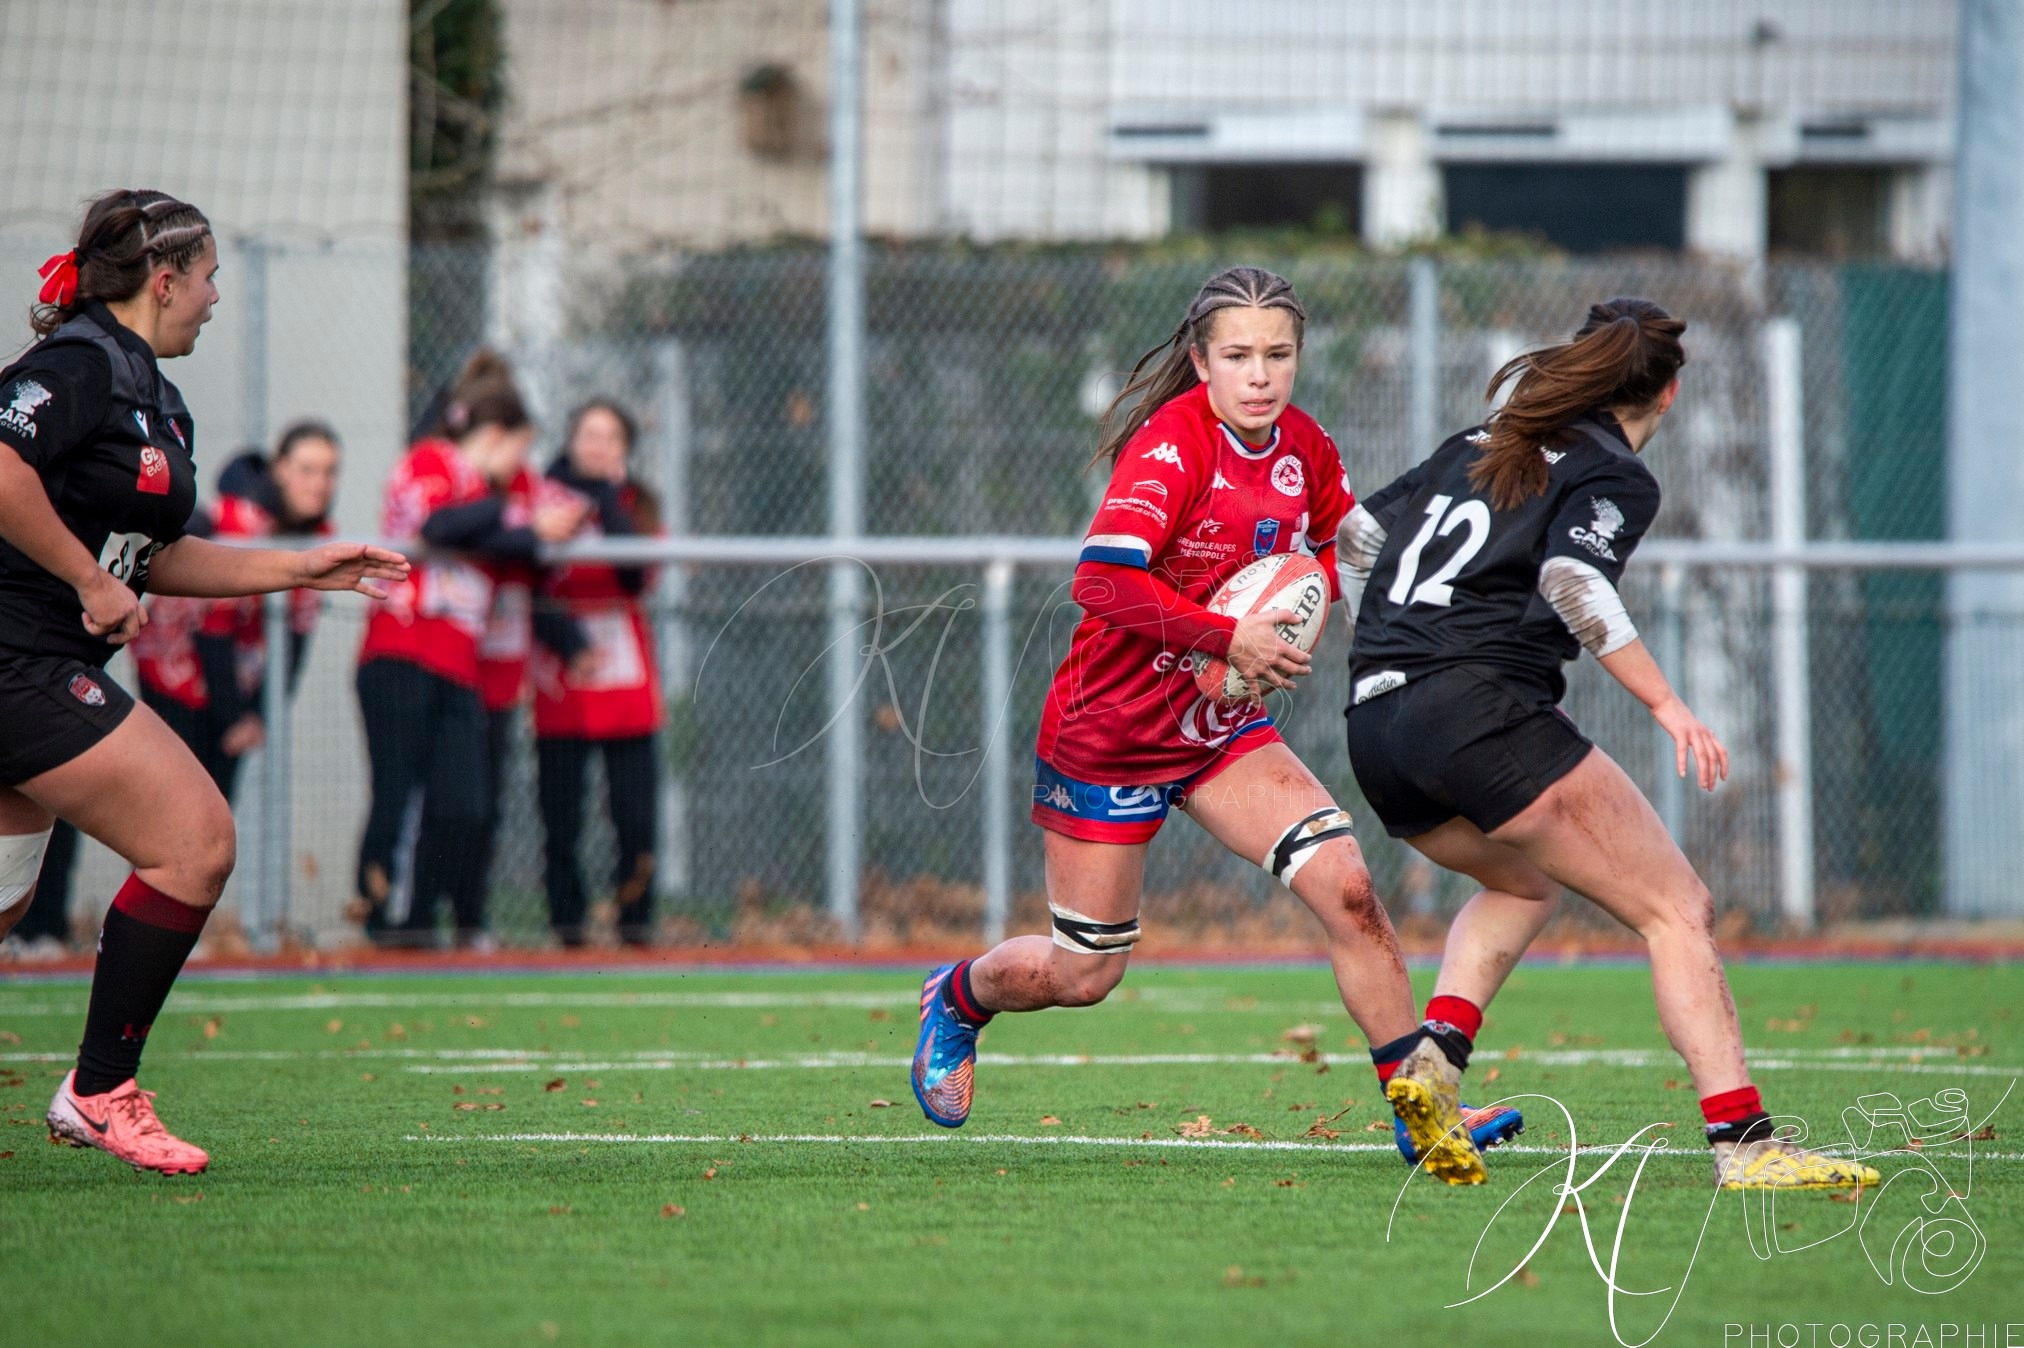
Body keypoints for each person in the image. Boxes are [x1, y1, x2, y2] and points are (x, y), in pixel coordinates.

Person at [908, 266, 1506, 1186]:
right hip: (1109, 729)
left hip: (1218, 727)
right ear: (1201, 360)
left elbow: (1345, 545)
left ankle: (1420, 1112)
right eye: (1238, 355)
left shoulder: (1304, 445)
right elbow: (1100, 582)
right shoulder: (1171, 448)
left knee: (1349, 887)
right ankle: (956, 997)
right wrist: (1232, 635)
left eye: (1278, 354)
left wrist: (1391, 623)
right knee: (1085, 972)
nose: (1260, 374)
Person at [1339, 297, 1878, 1191]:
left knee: (1522, 882)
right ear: (1666, 395)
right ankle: (1746, 1149)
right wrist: (1669, 706)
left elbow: (1359, 535)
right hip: (1475, 713)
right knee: (1678, 909)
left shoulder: (1477, 440)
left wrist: (1389, 652)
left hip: (1379, 725)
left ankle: (1430, 1067)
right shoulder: (1616, 472)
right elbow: (1569, 575)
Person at [0, 189, 407, 1174]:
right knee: (196, 842)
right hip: (17, 665)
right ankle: (99, 1091)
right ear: (163, 277)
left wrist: (301, 566)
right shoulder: (80, 364)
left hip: (37, 661)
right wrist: (88, 578)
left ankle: (96, 1090)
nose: (217, 296)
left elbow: (158, 554)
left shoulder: (152, 391)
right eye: (209, 275)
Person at [351, 352, 585, 947]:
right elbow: (437, 528)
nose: (521, 466)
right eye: (518, 448)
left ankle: (423, 914)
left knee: (464, 802)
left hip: (458, 662)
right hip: (404, 648)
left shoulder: (487, 488)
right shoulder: (437, 459)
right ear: (495, 435)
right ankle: (385, 922)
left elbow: (511, 546)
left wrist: (533, 529)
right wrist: (519, 517)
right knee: (397, 796)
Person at [129, 421, 341, 801]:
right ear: (280, 470)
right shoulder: (241, 524)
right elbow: (214, 632)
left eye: (329, 471)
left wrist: (260, 713)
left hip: (231, 685)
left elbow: (296, 637)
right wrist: (237, 719)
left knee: (216, 809)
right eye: (307, 469)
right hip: (174, 675)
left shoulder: (320, 536)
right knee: (178, 809)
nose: (319, 482)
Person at [530, 400, 662, 947]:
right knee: (561, 820)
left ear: (626, 449)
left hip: (625, 681)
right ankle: (569, 929)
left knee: (635, 820)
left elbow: (636, 577)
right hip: (564, 678)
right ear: (571, 439)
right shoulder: (539, 501)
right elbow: (527, 582)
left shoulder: (638, 506)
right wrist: (568, 642)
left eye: (611, 436)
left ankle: (634, 923)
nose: (599, 445)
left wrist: (607, 499)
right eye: (589, 434)